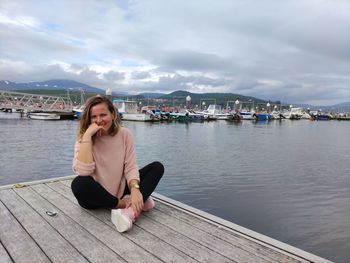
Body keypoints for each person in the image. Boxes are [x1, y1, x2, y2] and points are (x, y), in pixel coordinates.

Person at [71, 95, 164, 232]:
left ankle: (131, 210)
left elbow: (131, 166)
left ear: (113, 114)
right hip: (97, 198)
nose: (99, 120)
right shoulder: (83, 139)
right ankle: (129, 204)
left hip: (119, 189)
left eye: (103, 115)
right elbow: (83, 172)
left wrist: (135, 190)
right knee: (78, 184)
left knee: (157, 167)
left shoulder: (125, 134)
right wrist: (87, 137)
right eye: (93, 117)